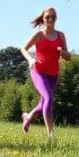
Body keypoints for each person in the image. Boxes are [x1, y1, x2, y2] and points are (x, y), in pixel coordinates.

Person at [20, 8, 71, 138]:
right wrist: (30, 59)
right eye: (48, 17)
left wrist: (63, 53)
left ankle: (28, 116)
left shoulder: (61, 35)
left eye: (53, 17)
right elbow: (24, 49)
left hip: (53, 74)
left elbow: (68, 56)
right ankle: (50, 134)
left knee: (43, 103)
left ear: (56, 18)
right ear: (43, 19)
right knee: (49, 98)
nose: (50, 19)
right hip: (38, 71)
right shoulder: (39, 35)